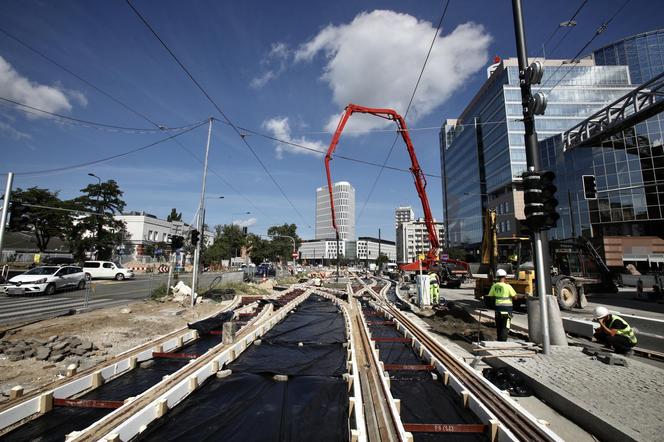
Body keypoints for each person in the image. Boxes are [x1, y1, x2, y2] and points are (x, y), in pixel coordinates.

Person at [488, 269, 517, 341]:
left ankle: (499, 340)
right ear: (505, 277)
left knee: (499, 326)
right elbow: (515, 297)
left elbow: (491, 297)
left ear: (497, 277)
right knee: (505, 326)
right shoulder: (508, 286)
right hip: (507, 310)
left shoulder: (494, 286)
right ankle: (503, 341)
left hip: (498, 309)